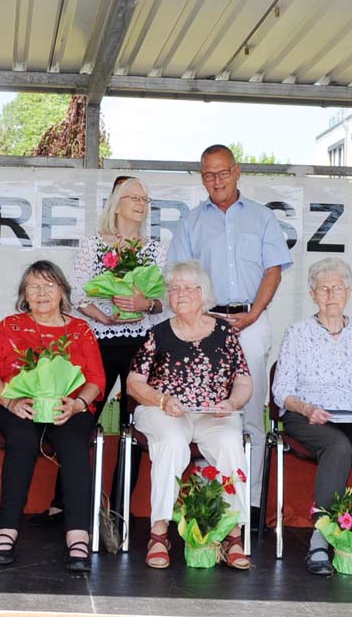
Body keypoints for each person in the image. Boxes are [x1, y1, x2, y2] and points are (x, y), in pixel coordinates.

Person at [34, 176, 167, 528]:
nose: (141, 203)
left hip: (142, 342)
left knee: (135, 422)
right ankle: (65, 501)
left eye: (145, 198)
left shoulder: (156, 249)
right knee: (80, 417)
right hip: (98, 340)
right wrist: (102, 314)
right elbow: (76, 294)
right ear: (117, 203)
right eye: (134, 197)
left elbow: (163, 304)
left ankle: (119, 505)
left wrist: (144, 302)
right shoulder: (94, 245)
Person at [167, 144, 292, 516]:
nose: (216, 180)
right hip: (202, 327)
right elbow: (178, 278)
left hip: (250, 321)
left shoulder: (262, 218)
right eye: (208, 174)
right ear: (201, 177)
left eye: (223, 172)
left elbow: (274, 269)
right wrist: (201, 322)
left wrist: (254, 312)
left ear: (237, 172)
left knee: (249, 414)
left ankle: (248, 504)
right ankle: (207, 505)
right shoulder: (190, 222)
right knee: (207, 413)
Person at [272, 257, 352, 577]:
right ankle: (321, 536)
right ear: (313, 295)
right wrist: (307, 409)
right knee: (338, 446)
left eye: (337, 288)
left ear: (349, 292)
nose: (331, 294)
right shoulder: (298, 333)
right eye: (323, 289)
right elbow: (281, 391)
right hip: (308, 415)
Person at [0, 260, 105, 573]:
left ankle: (78, 534)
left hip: (68, 408)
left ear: (63, 291)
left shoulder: (79, 329)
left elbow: (96, 380)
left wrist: (77, 404)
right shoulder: (10, 326)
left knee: (75, 444)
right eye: (34, 286)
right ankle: (6, 530)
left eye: (49, 285)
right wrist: (9, 402)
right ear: (24, 293)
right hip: (18, 406)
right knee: (21, 439)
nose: (42, 292)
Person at [127, 260, 253, 570]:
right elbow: (133, 383)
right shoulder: (157, 334)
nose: (180, 294)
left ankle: (232, 534)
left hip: (213, 414)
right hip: (164, 411)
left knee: (229, 441)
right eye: (174, 289)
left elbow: (243, 379)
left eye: (188, 288)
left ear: (203, 294)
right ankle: (159, 532)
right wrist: (162, 399)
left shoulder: (225, 331)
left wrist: (232, 403)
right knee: (170, 440)